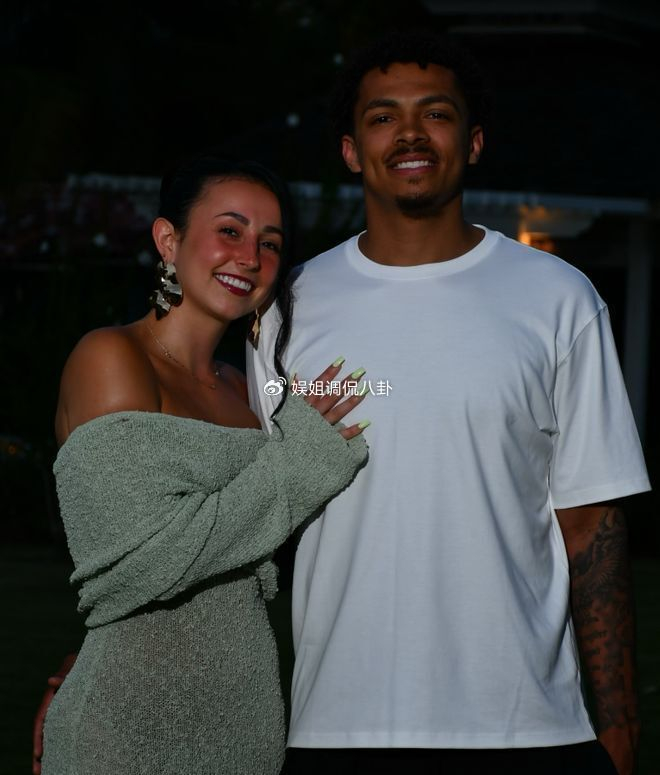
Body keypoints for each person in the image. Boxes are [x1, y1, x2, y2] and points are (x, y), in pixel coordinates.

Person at [247, 31, 650, 775]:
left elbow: (591, 522)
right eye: (382, 117)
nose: (409, 133)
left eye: (435, 113)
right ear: (350, 150)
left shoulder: (559, 299)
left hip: (528, 728)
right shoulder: (287, 309)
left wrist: (620, 728)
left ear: (473, 141)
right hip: (338, 726)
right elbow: (246, 522)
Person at [36, 154, 370, 775]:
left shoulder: (248, 388)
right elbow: (140, 562)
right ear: (169, 240)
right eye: (230, 231)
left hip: (246, 720)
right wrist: (301, 464)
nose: (250, 257)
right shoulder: (109, 357)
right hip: (125, 723)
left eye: (270, 243)